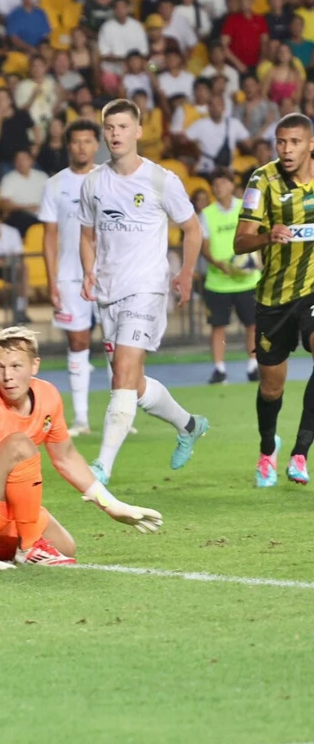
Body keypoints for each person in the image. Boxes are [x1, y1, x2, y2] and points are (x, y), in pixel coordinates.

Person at [0, 327, 164, 571]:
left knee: (64, 548)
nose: (7, 376)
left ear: (34, 365)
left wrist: (110, 504)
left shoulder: (47, 396)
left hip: (1, 505)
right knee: (20, 445)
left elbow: (66, 457)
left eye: (16, 366)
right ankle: (21, 548)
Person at [79, 98, 209, 484]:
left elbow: (192, 229)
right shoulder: (93, 182)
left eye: (123, 127)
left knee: (122, 371)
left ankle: (101, 467)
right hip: (109, 292)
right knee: (132, 385)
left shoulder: (161, 180)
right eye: (109, 128)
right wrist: (87, 272)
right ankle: (189, 425)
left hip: (147, 289)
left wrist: (186, 272)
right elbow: (86, 235)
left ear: (138, 131)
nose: (115, 134)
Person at [235, 112, 314, 487]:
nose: (286, 149)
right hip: (274, 297)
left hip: (311, 289)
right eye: (281, 142)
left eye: (294, 142)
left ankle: (301, 453)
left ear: (310, 144)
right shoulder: (262, 180)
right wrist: (268, 236)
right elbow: (240, 242)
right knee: (271, 389)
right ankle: (268, 449)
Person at [41, 118, 101, 436]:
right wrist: (52, 281)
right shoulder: (54, 184)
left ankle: (123, 414)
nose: (82, 147)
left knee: (118, 344)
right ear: (68, 146)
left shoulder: (110, 179)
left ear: (97, 145)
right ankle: (82, 418)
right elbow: (49, 237)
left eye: (88, 141)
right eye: (76, 141)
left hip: (109, 273)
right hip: (69, 275)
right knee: (78, 342)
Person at [201, 169, 258, 387]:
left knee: (252, 324)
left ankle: (253, 365)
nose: (219, 188)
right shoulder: (207, 214)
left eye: (223, 183)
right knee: (218, 326)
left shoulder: (245, 208)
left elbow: (255, 235)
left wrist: (254, 260)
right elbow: (204, 246)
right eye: (215, 185)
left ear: (232, 185)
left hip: (248, 280)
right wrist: (220, 264)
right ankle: (219, 369)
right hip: (218, 282)